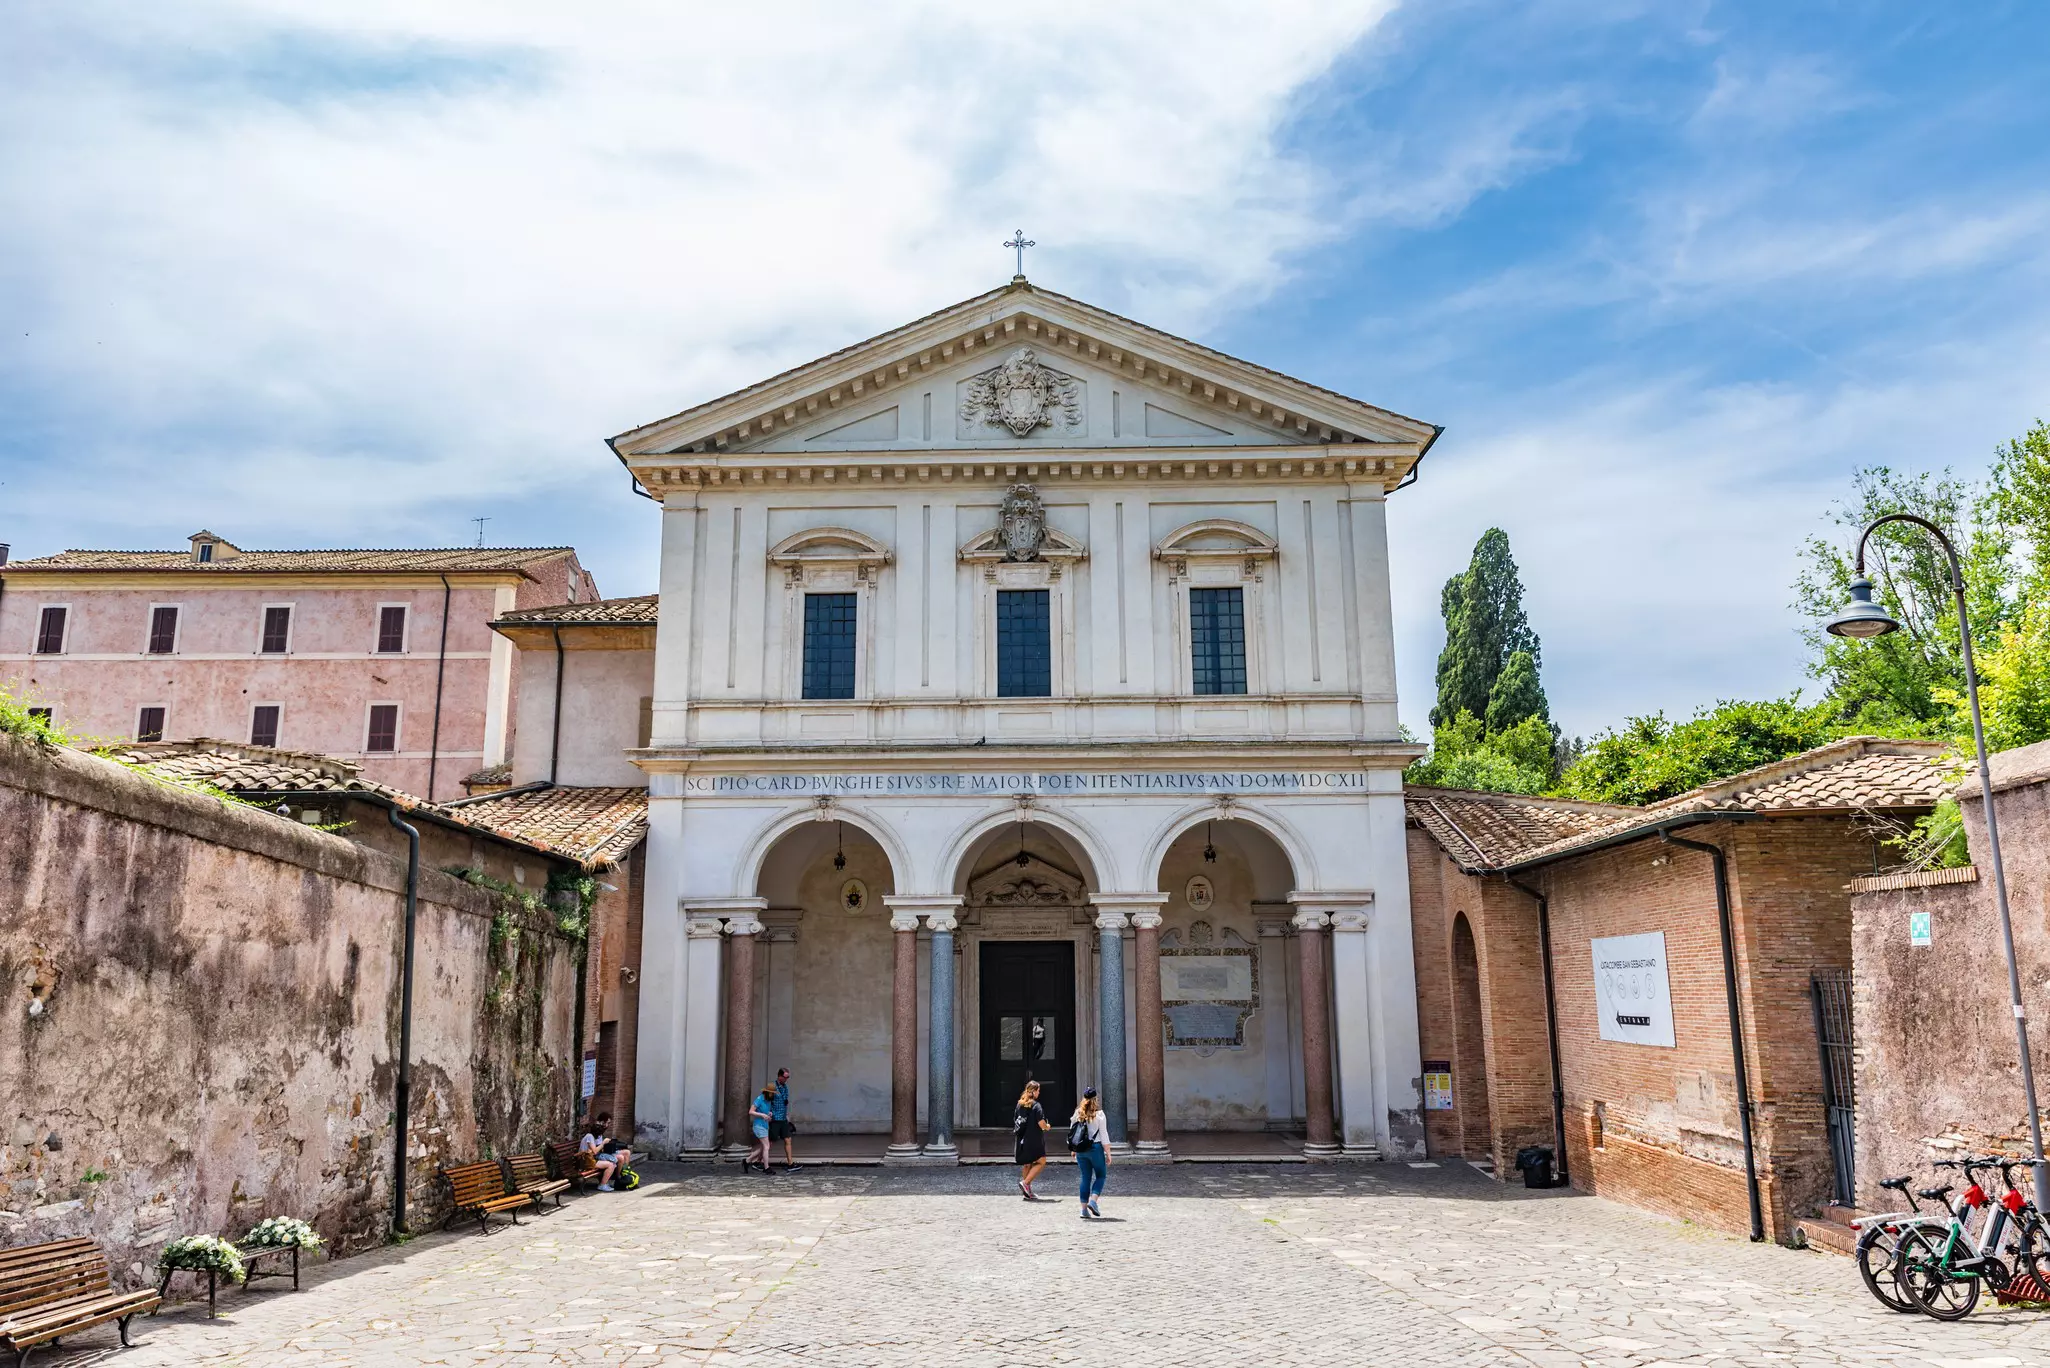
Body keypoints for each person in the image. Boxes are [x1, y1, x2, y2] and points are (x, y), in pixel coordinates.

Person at [1071, 1087, 1110, 1218]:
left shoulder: (1078, 1113)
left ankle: (1083, 1210)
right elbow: (1104, 1136)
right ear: (1095, 1099)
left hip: (1081, 1150)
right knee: (1101, 1175)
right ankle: (1093, 1201)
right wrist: (1108, 1153)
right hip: (1095, 1148)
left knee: (1085, 1177)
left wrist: (1073, 1150)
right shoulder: (1100, 1115)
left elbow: (1073, 1132)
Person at [1013, 1080, 1050, 1200]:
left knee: (1027, 1164)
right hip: (1034, 1140)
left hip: (1021, 1139)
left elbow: (1015, 1120)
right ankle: (1026, 1183)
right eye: (1038, 1091)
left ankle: (1027, 1191)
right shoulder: (1036, 1105)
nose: (1039, 1093)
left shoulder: (1019, 1104)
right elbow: (1041, 1123)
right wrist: (1047, 1127)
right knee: (1041, 1161)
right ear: (1033, 1092)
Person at [581, 1112, 633, 1191]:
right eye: (607, 1122)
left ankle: (620, 1176)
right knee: (612, 1164)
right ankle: (604, 1184)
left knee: (624, 1154)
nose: (600, 1136)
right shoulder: (590, 1136)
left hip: (594, 1158)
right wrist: (603, 1143)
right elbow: (595, 1151)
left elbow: (598, 1150)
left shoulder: (595, 1135)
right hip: (587, 1160)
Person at [771, 1067, 802, 1172]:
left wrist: (787, 1116)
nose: (786, 1079)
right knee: (769, 1142)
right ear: (779, 1076)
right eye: (785, 1077)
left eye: (788, 1077)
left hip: (783, 1119)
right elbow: (765, 1102)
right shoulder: (772, 1087)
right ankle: (757, 1161)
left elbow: (785, 1102)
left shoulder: (785, 1087)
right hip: (774, 1118)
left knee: (788, 1139)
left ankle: (790, 1163)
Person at [745, 1086, 776, 1174]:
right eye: (771, 1093)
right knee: (767, 1147)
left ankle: (747, 1160)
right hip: (759, 1126)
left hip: (765, 1125)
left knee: (764, 1147)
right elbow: (751, 1111)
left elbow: (766, 1111)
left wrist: (769, 1114)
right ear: (767, 1092)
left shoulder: (769, 1100)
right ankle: (766, 1168)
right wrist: (762, 1115)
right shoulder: (759, 1099)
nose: (773, 1095)